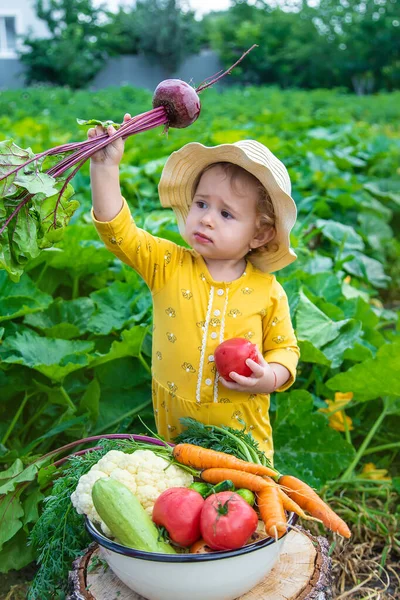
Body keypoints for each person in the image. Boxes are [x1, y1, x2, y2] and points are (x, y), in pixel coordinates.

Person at [89, 114, 300, 460]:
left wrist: (269, 377)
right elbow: (119, 233)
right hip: (176, 431)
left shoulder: (267, 289)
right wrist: (105, 168)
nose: (205, 218)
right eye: (201, 204)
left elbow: (285, 349)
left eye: (226, 214)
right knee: (182, 499)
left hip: (242, 437)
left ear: (259, 235)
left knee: (243, 504)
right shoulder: (167, 264)